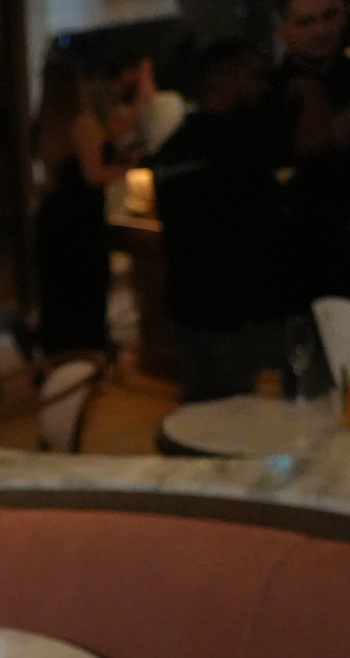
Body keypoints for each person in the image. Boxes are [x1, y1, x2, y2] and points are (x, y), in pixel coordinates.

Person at [152, 41, 291, 401]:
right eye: (253, 74)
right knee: (246, 417)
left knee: (202, 410)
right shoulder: (241, 143)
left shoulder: (172, 150)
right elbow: (259, 229)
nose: (263, 84)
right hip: (239, 312)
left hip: (190, 306)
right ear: (223, 79)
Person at [33, 57, 126, 356]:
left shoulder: (44, 125)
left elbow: (49, 177)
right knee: (88, 287)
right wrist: (125, 168)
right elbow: (93, 175)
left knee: (60, 292)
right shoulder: (82, 123)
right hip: (82, 219)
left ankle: (61, 354)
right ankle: (90, 352)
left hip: (54, 217)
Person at [272, 0, 350, 301]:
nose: (321, 30)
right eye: (306, 22)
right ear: (283, 31)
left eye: (330, 16)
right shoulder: (268, 94)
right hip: (308, 262)